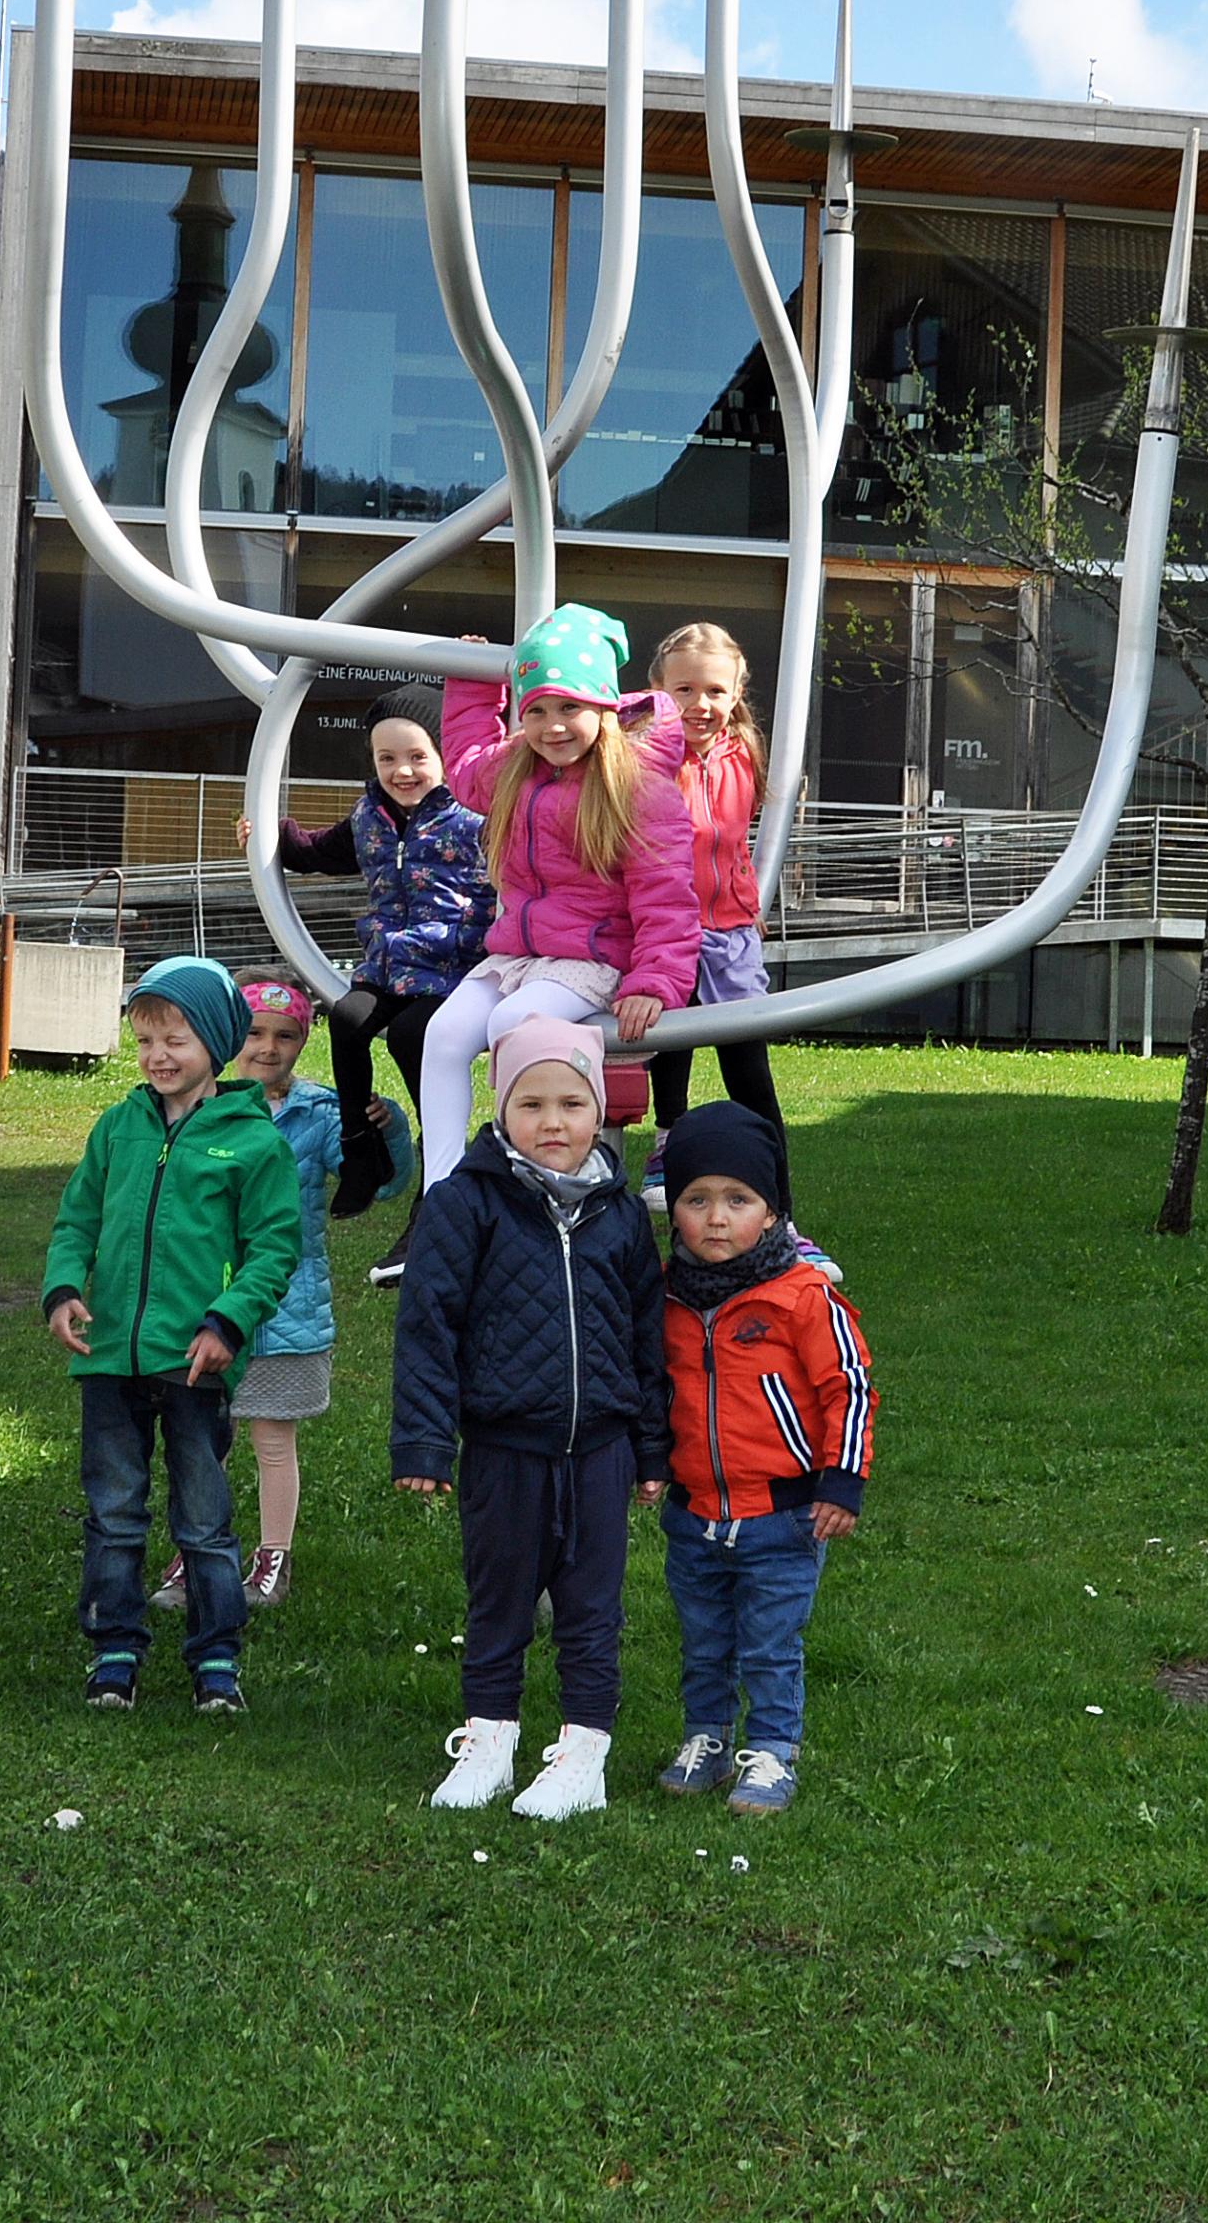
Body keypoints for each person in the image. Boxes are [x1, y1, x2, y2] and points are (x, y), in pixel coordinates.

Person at [389, 1019, 670, 1822]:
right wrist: (424, 1439)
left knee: (592, 1609)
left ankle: (585, 1756)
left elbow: (647, 1336)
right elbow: (429, 1326)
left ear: (599, 1110)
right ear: (501, 1109)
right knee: (499, 1601)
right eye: (532, 1104)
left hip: (602, 1450)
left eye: (572, 1104)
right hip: (504, 1447)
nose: (553, 1122)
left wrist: (652, 1447)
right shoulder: (464, 1203)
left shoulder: (620, 1214)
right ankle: (489, 1741)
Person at [378, 604, 697, 1283]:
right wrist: (473, 684)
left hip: (592, 957)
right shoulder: (516, 767)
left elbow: (667, 897)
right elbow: (465, 764)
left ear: (604, 708)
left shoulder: (638, 787)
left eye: (569, 709)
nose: (553, 727)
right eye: (537, 710)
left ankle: (519, 1187)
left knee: (511, 1026)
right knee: (443, 1035)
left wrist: (654, 981)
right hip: (519, 954)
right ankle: (442, 1199)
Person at [43, 956, 302, 1714]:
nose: (158, 1056)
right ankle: (114, 1648)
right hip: (109, 1359)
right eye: (146, 1041)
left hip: (195, 1364)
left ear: (216, 1044)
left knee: (203, 1519)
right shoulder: (117, 1127)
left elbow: (273, 1248)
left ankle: (216, 1658)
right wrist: (64, 1287)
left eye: (175, 1040)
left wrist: (228, 1321)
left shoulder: (252, 1143)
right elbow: (76, 1219)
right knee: (113, 1511)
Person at [645, 1100, 871, 1817]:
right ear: (672, 1210)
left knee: (771, 1642)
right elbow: (652, 1389)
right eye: (696, 1200)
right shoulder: (665, 1298)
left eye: (738, 1200)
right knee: (704, 1638)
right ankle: (706, 1737)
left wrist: (842, 1479)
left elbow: (848, 1386)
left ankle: (772, 1749)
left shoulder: (803, 1298)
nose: (716, 1218)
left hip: (783, 1515)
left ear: (772, 1212)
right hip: (694, 1514)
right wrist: (650, 1460)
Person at [153, 974, 377, 1615]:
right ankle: (198, 1550)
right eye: (253, 1032)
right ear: (228, 1036)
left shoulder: (318, 1114)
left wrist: (379, 1134)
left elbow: (373, 1185)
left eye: (286, 1035)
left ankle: (273, 1558)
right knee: (203, 1441)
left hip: (285, 1310)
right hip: (203, 1310)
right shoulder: (194, 1107)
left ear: (304, 1043)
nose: (268, 1047)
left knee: (273, 1441)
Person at [246, 682, 488, 1218]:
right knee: (348, 1019)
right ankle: (360, 1149)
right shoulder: (368, 818)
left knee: (409, 1034)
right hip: (388, 967)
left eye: (417, 757)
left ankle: (440, 1155)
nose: (402, 771)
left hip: (452, 968)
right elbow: (316, 852)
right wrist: (266, 834)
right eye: (387, 759)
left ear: (445, 756)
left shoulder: (474, 818)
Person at [639, 621, 786, 1196]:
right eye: (685, 690)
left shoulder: (743, 753)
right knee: (670, 1037)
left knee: (746, 1060)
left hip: (729, 928)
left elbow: (731, 841)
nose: (700, 705)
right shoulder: (643, 757)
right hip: (665, 926)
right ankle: (668, 1138)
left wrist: (744, 899)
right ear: (658, 689)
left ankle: (773, 1184)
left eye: (715, 691)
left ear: (736, 694)